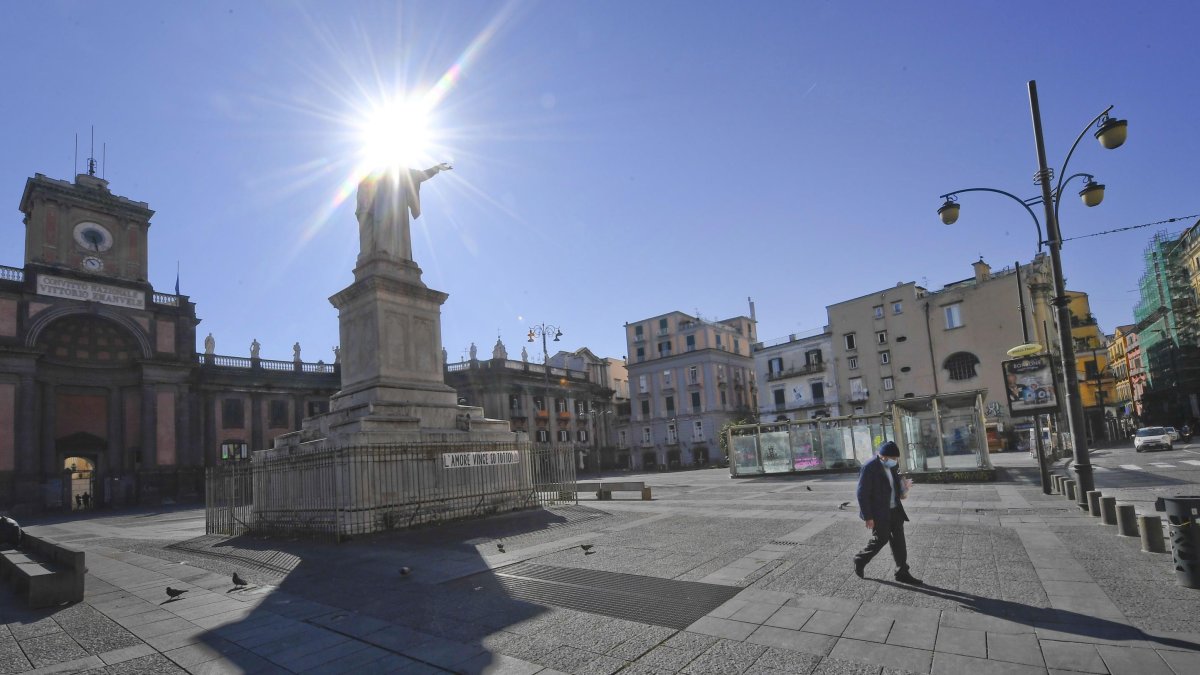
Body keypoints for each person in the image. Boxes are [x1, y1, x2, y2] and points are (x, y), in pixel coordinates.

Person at [854, 440, 921, 585]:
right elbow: (862, 494)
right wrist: (868, 517)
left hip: (895, 509)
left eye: (896, 459)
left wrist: (904, 487)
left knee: (899, 542)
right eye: (893, 458)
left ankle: (902, 572)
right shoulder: (869, 467)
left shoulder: (891, 465)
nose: (895, 461)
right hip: (879, 512)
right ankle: (860, 559)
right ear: (883, 456)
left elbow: (894, 482)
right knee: (881, 539)